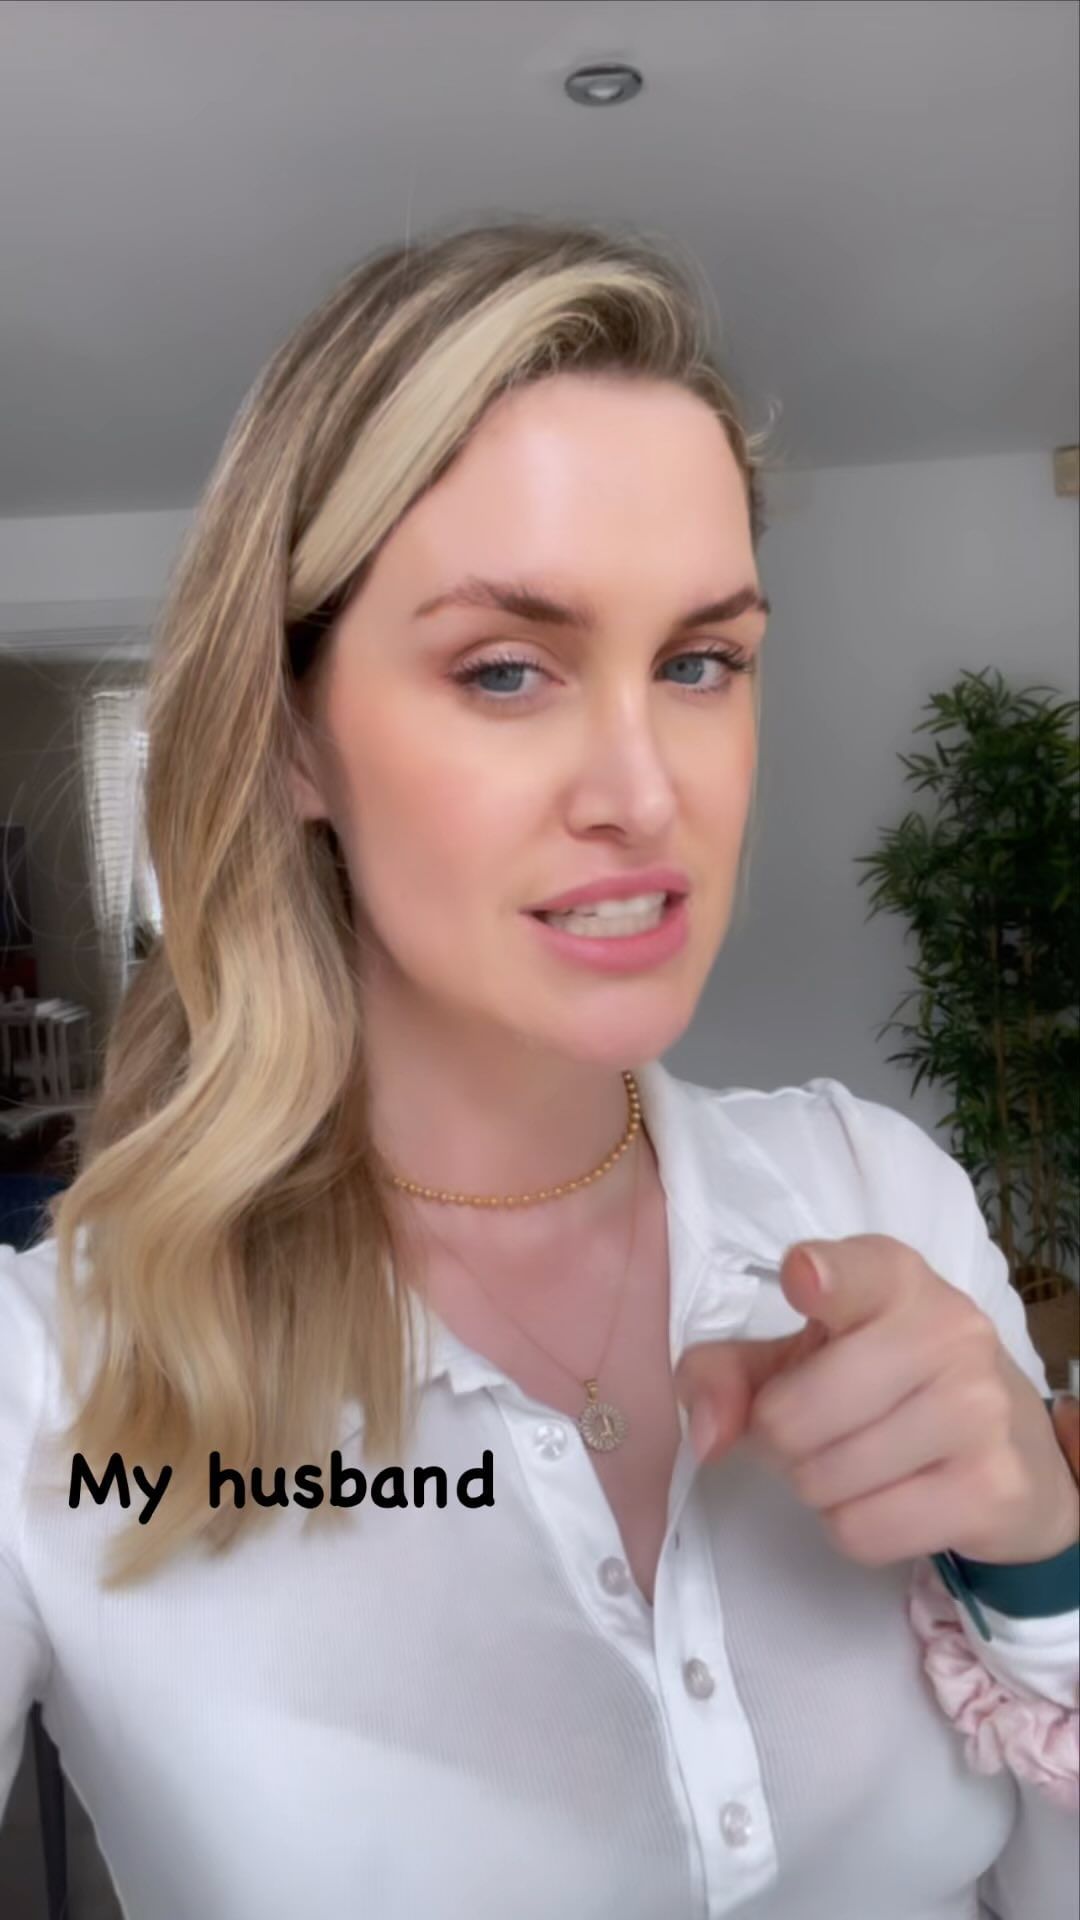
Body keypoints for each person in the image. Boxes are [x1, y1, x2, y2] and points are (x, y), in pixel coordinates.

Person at [0, 216, 1076, 1920]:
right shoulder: (54, 1386)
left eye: (701, 662)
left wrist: (1044, 1573)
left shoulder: (882, 1198)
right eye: (507, 670)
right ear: (292, 740)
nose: (647, 795)